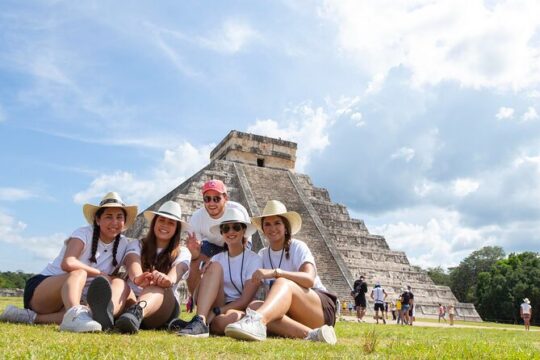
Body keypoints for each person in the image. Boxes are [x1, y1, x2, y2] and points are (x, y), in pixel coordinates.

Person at [0, 192, 136, 332]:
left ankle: (28, 317)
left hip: (73, 297)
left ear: (124, 221)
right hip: (45, 290)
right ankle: (74, 314)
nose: (114, 222)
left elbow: (130, 269)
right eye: (109, 217)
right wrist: (99, 273)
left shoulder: (124, 244)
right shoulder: (83, 234)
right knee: (79, 273)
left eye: (119, 217)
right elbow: (68, 263)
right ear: (97, 219)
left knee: (90, 311)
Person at [224, 200, 338, 345]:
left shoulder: (298, 246)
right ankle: (313, 335)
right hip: (292, 313)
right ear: (263, 230)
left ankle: (257, 321)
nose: (272, 228)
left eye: (277, 223)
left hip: (319, 308)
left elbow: (309, 279)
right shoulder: (262, 255)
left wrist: (276, 273)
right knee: (254, 306)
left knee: (282, 282)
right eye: (267, 224)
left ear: (286, 227)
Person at [175, 207, 261, 337]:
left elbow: (245, 300)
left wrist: (216, 311)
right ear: (221, 232)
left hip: (237, 308)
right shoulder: (216, 258)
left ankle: (204, 322)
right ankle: (201, 320)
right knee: (215, 267)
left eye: (236, 227)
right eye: (226, 228)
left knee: (223, 321)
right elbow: (197, 295)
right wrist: (197, 262)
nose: (230, 231)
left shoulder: (254, 259)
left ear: (243, 230)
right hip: (219, 304)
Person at [110, 201, 191, 334]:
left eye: (171, 222)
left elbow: (180, 269)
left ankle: (136, 313)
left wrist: (167, 279)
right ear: (154, 223)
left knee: (158, 285)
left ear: (177, 228)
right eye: (162, 220)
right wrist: (137, 278)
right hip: (132, 301)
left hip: (162, 308)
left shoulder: (183, 252)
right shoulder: (137, 244)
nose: (165, 225)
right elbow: (132, 260)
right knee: (118, 282)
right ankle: (107, 314)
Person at [186, 180, 251, 295]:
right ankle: (197, 302)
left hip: (237, 244)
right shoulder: (197, 217)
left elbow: (245, 240)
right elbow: (196, 254)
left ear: (225, 198)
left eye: (216, 198)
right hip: (212, 245)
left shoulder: (238, 210)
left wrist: (219, 259)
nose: (211, 203)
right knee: (194, 264)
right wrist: (193, 252)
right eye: (207, 199)